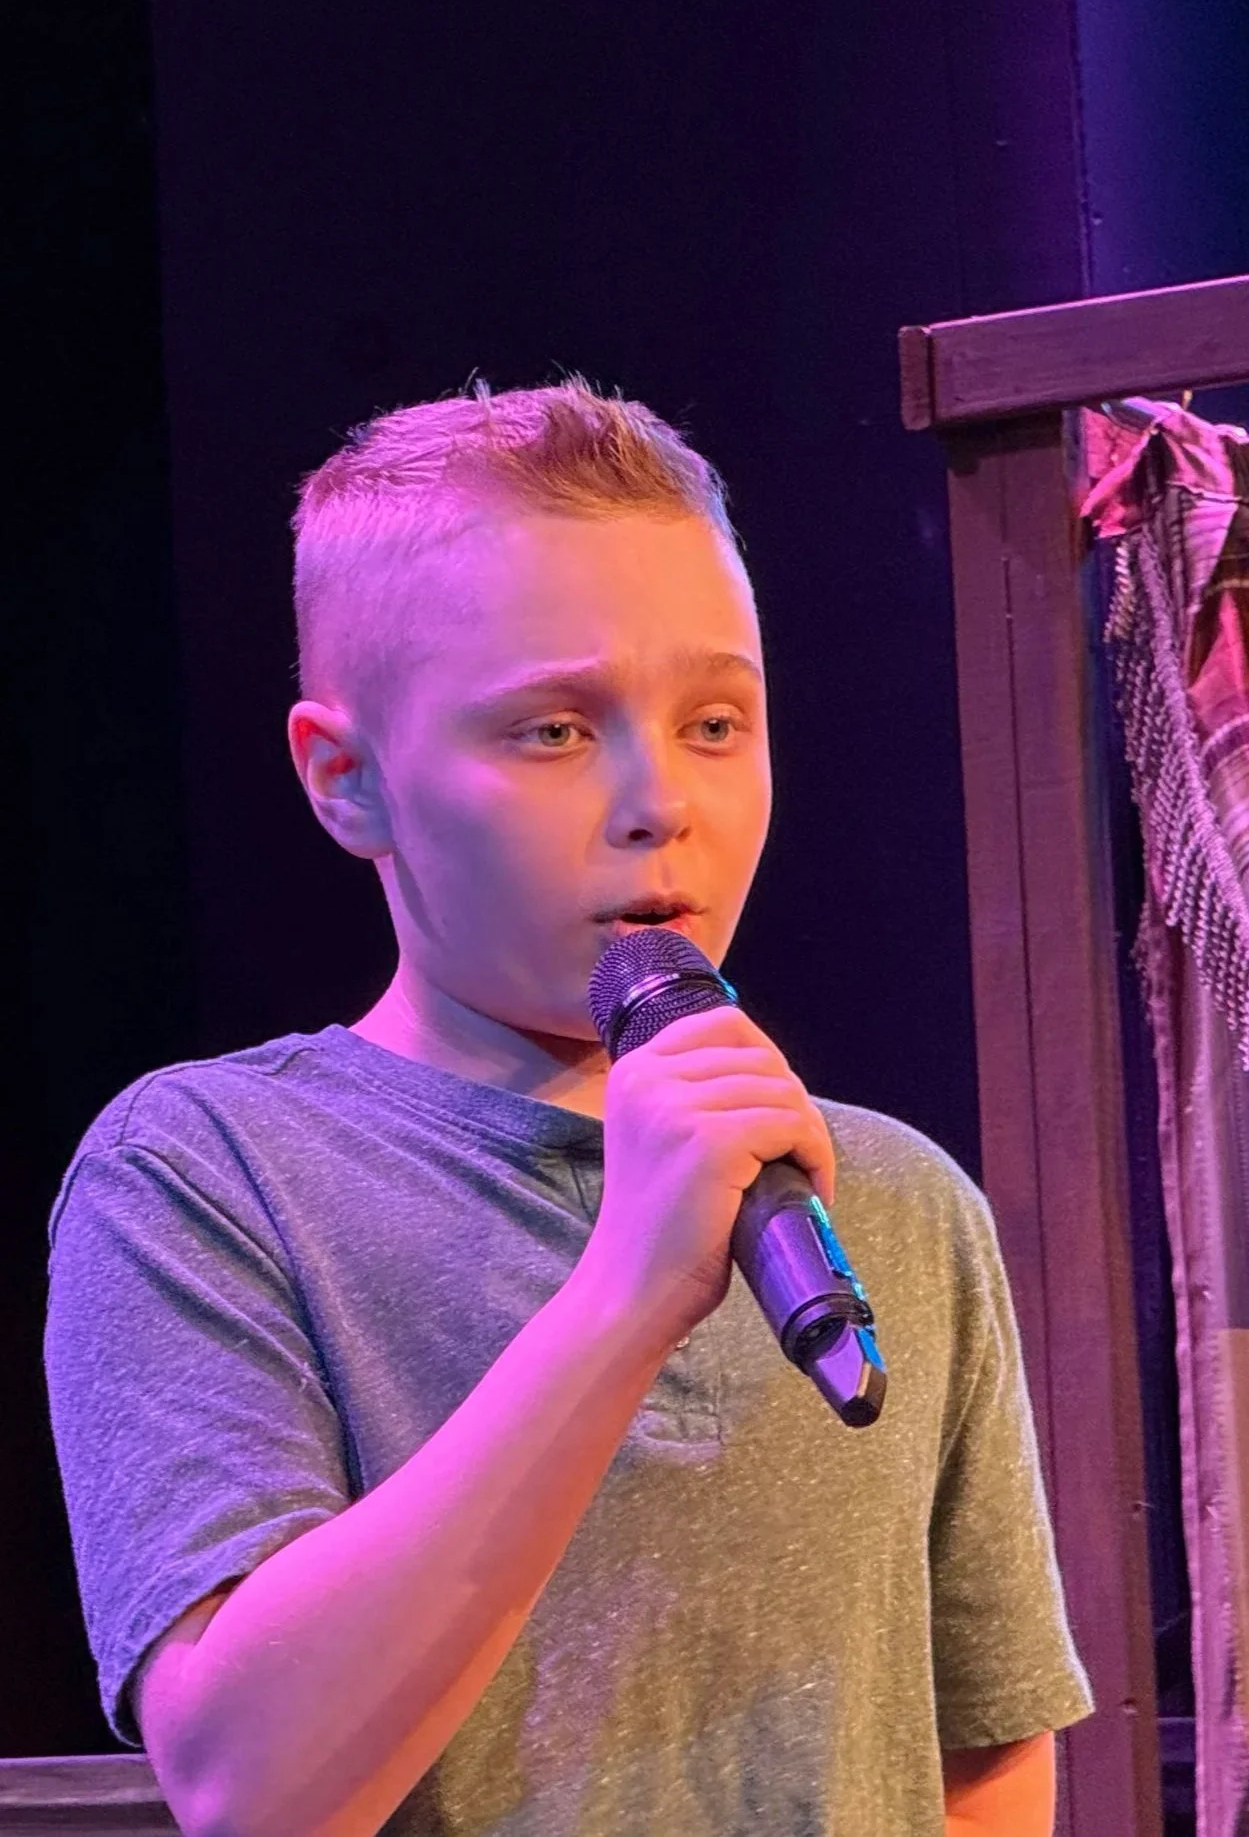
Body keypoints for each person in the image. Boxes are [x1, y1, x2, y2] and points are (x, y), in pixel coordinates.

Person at [44, 378, 1093, 1837]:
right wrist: (627, 1291)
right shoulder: (209, 1176)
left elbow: (981, 1765)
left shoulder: (898, 1202)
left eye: (715, 721)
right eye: (551, 730)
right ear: (347, 779)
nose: (660, 801)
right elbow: (251, 1784)